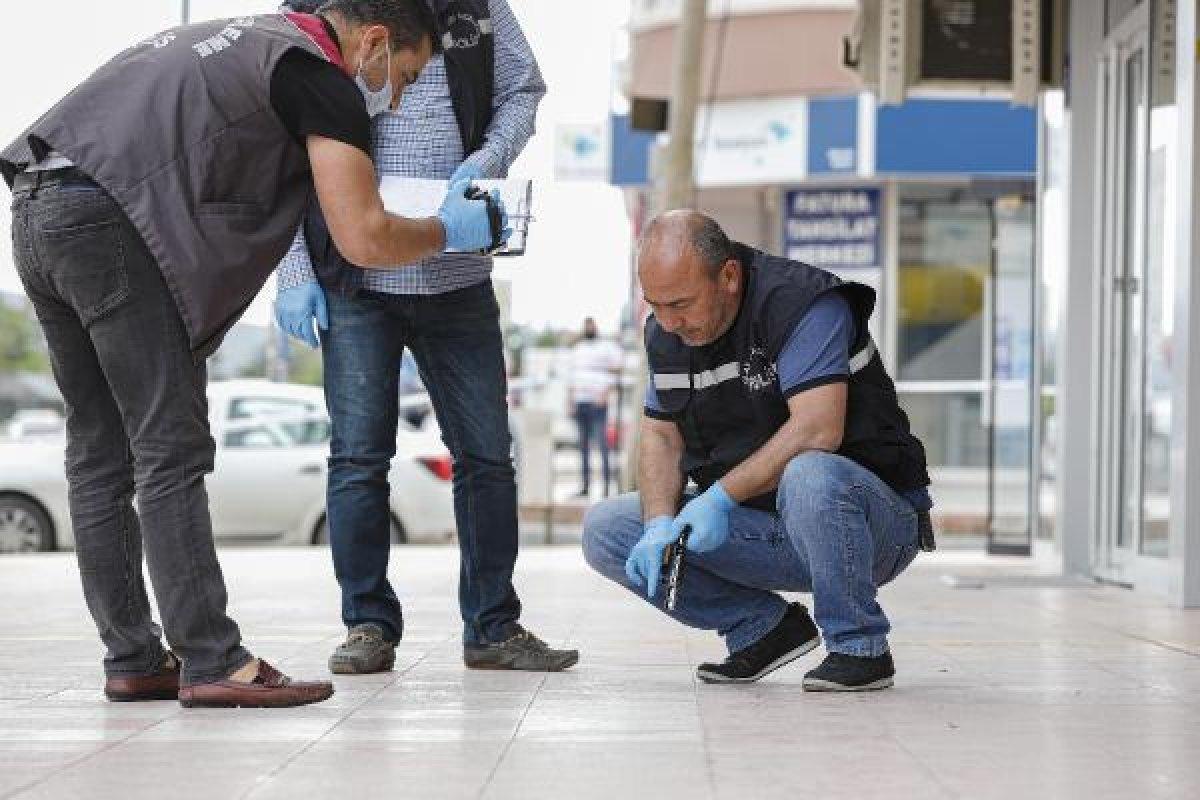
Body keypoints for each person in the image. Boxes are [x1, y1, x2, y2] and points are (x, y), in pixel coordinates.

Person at [1, 0, 506, 708]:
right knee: (169, 446)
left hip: (36, 204)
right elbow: (362, 236)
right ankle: (212, 659)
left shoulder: (250, 40)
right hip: (106, 219)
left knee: (99, 451)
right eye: (405, 75)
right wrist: (446, 230)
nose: (394, 97)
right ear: (374, 42)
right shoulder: (321, 78)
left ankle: (135, 657)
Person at [275, 0, 578, 674]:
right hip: (353, 282)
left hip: (458, 274)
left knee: (487, 458)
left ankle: (494, 626)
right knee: (357, 459)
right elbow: (278, 148)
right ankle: (367, 626)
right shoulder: (310, 13)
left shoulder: (479, 9)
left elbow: (523, 90)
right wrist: (294, 271)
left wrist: (489, 158)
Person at [582, 211, 936, 692]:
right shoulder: (667, 333)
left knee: (811, 472)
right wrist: (658, 524)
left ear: (728, 275)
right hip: (763, 527)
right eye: (656, 305)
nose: (668, 322)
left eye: (681, 304)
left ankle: (859, 646)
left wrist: (719, 498)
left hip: (870, 527)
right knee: (607, 529)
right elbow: (661, 436)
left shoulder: (802, 305)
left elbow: (817, 429)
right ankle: (763, 628)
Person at [568, 317, 623, 497]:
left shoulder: (606, 347)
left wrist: (606, 393)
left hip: (598, 402)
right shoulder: (578, 349)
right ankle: (585, 486)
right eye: (586, 325)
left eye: (591, 325)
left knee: (602, 445)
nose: (589, 328)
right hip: (580, 401)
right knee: (582, 446)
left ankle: (607, 487)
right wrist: (571, 401)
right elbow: (572, 376)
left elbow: (617, 371)